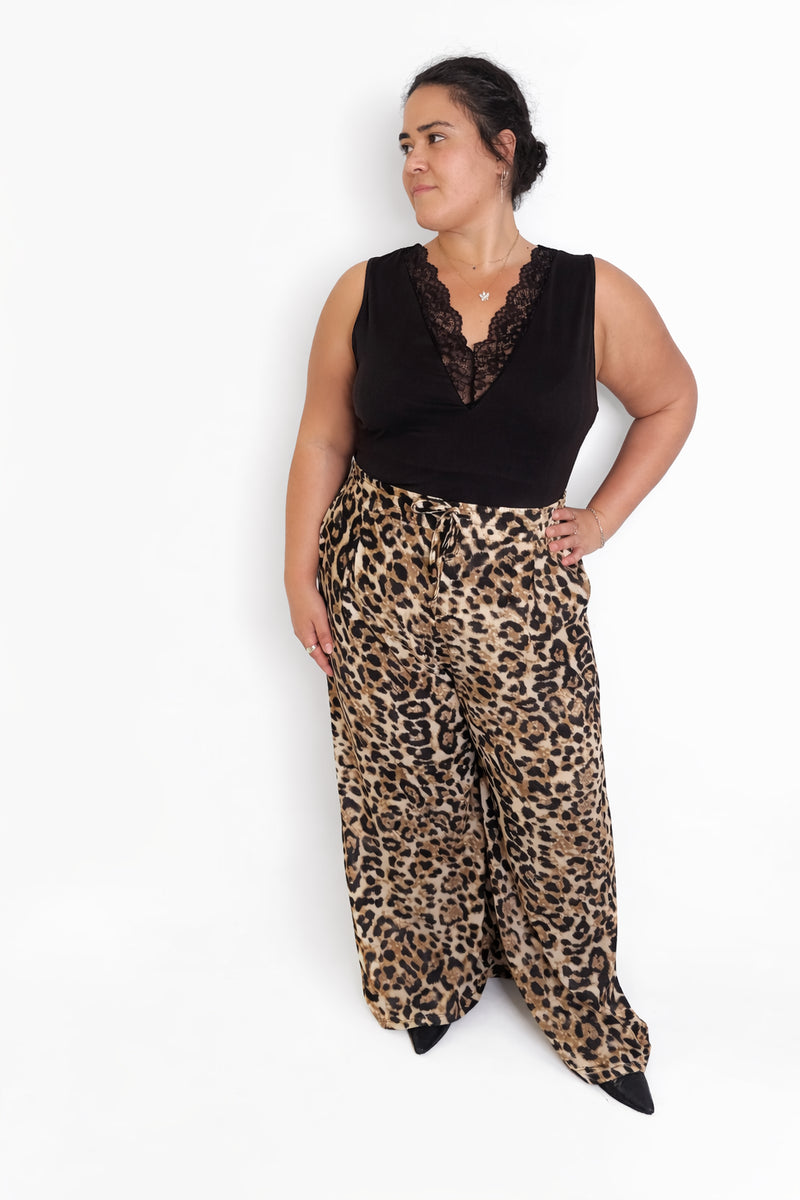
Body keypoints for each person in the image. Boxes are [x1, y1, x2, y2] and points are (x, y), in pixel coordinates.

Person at [284, 55, 696, 1116]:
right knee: (404, 795)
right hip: (376, 583)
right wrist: (299, 571)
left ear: (502, 150)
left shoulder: (590, 292)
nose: (412, 163)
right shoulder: (364, 289)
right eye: (404, 145)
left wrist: (598, 519)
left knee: (555, 807)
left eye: (436, 138)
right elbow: (324, 435)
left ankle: (578, 1009)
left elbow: (670, 400)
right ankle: (429, 980)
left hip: (524, 602)